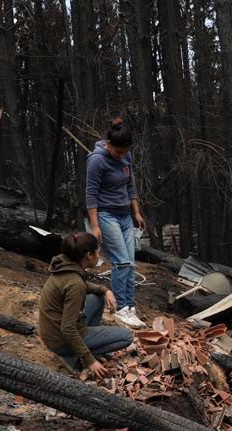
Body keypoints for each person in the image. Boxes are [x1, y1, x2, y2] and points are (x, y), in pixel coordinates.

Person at [38, 232, 134, 380]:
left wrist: (105, 290)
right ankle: (73, 357)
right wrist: (90, 361)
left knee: (97, 297)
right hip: (60, 339)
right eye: (97, 252)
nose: (99, 256)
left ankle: (85, 347)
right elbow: (67, 328)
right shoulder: (75, 284)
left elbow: (82, 285)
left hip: (51, 332)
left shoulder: (64, 266)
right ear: (89, 255)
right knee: (126, 337)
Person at [85, 119, 148, 329]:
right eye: (118, 152)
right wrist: (95, 226)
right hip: (106, 215)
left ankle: (130, 307)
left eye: (124, 153)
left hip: (124, 216)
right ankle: (120, 308)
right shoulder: (96, 161)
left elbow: (131, 186)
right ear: (109, 144)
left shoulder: (126, 156)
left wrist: (136, 212)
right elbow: (91, 195)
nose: (121, 156)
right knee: (120, 262)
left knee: (129, 262)